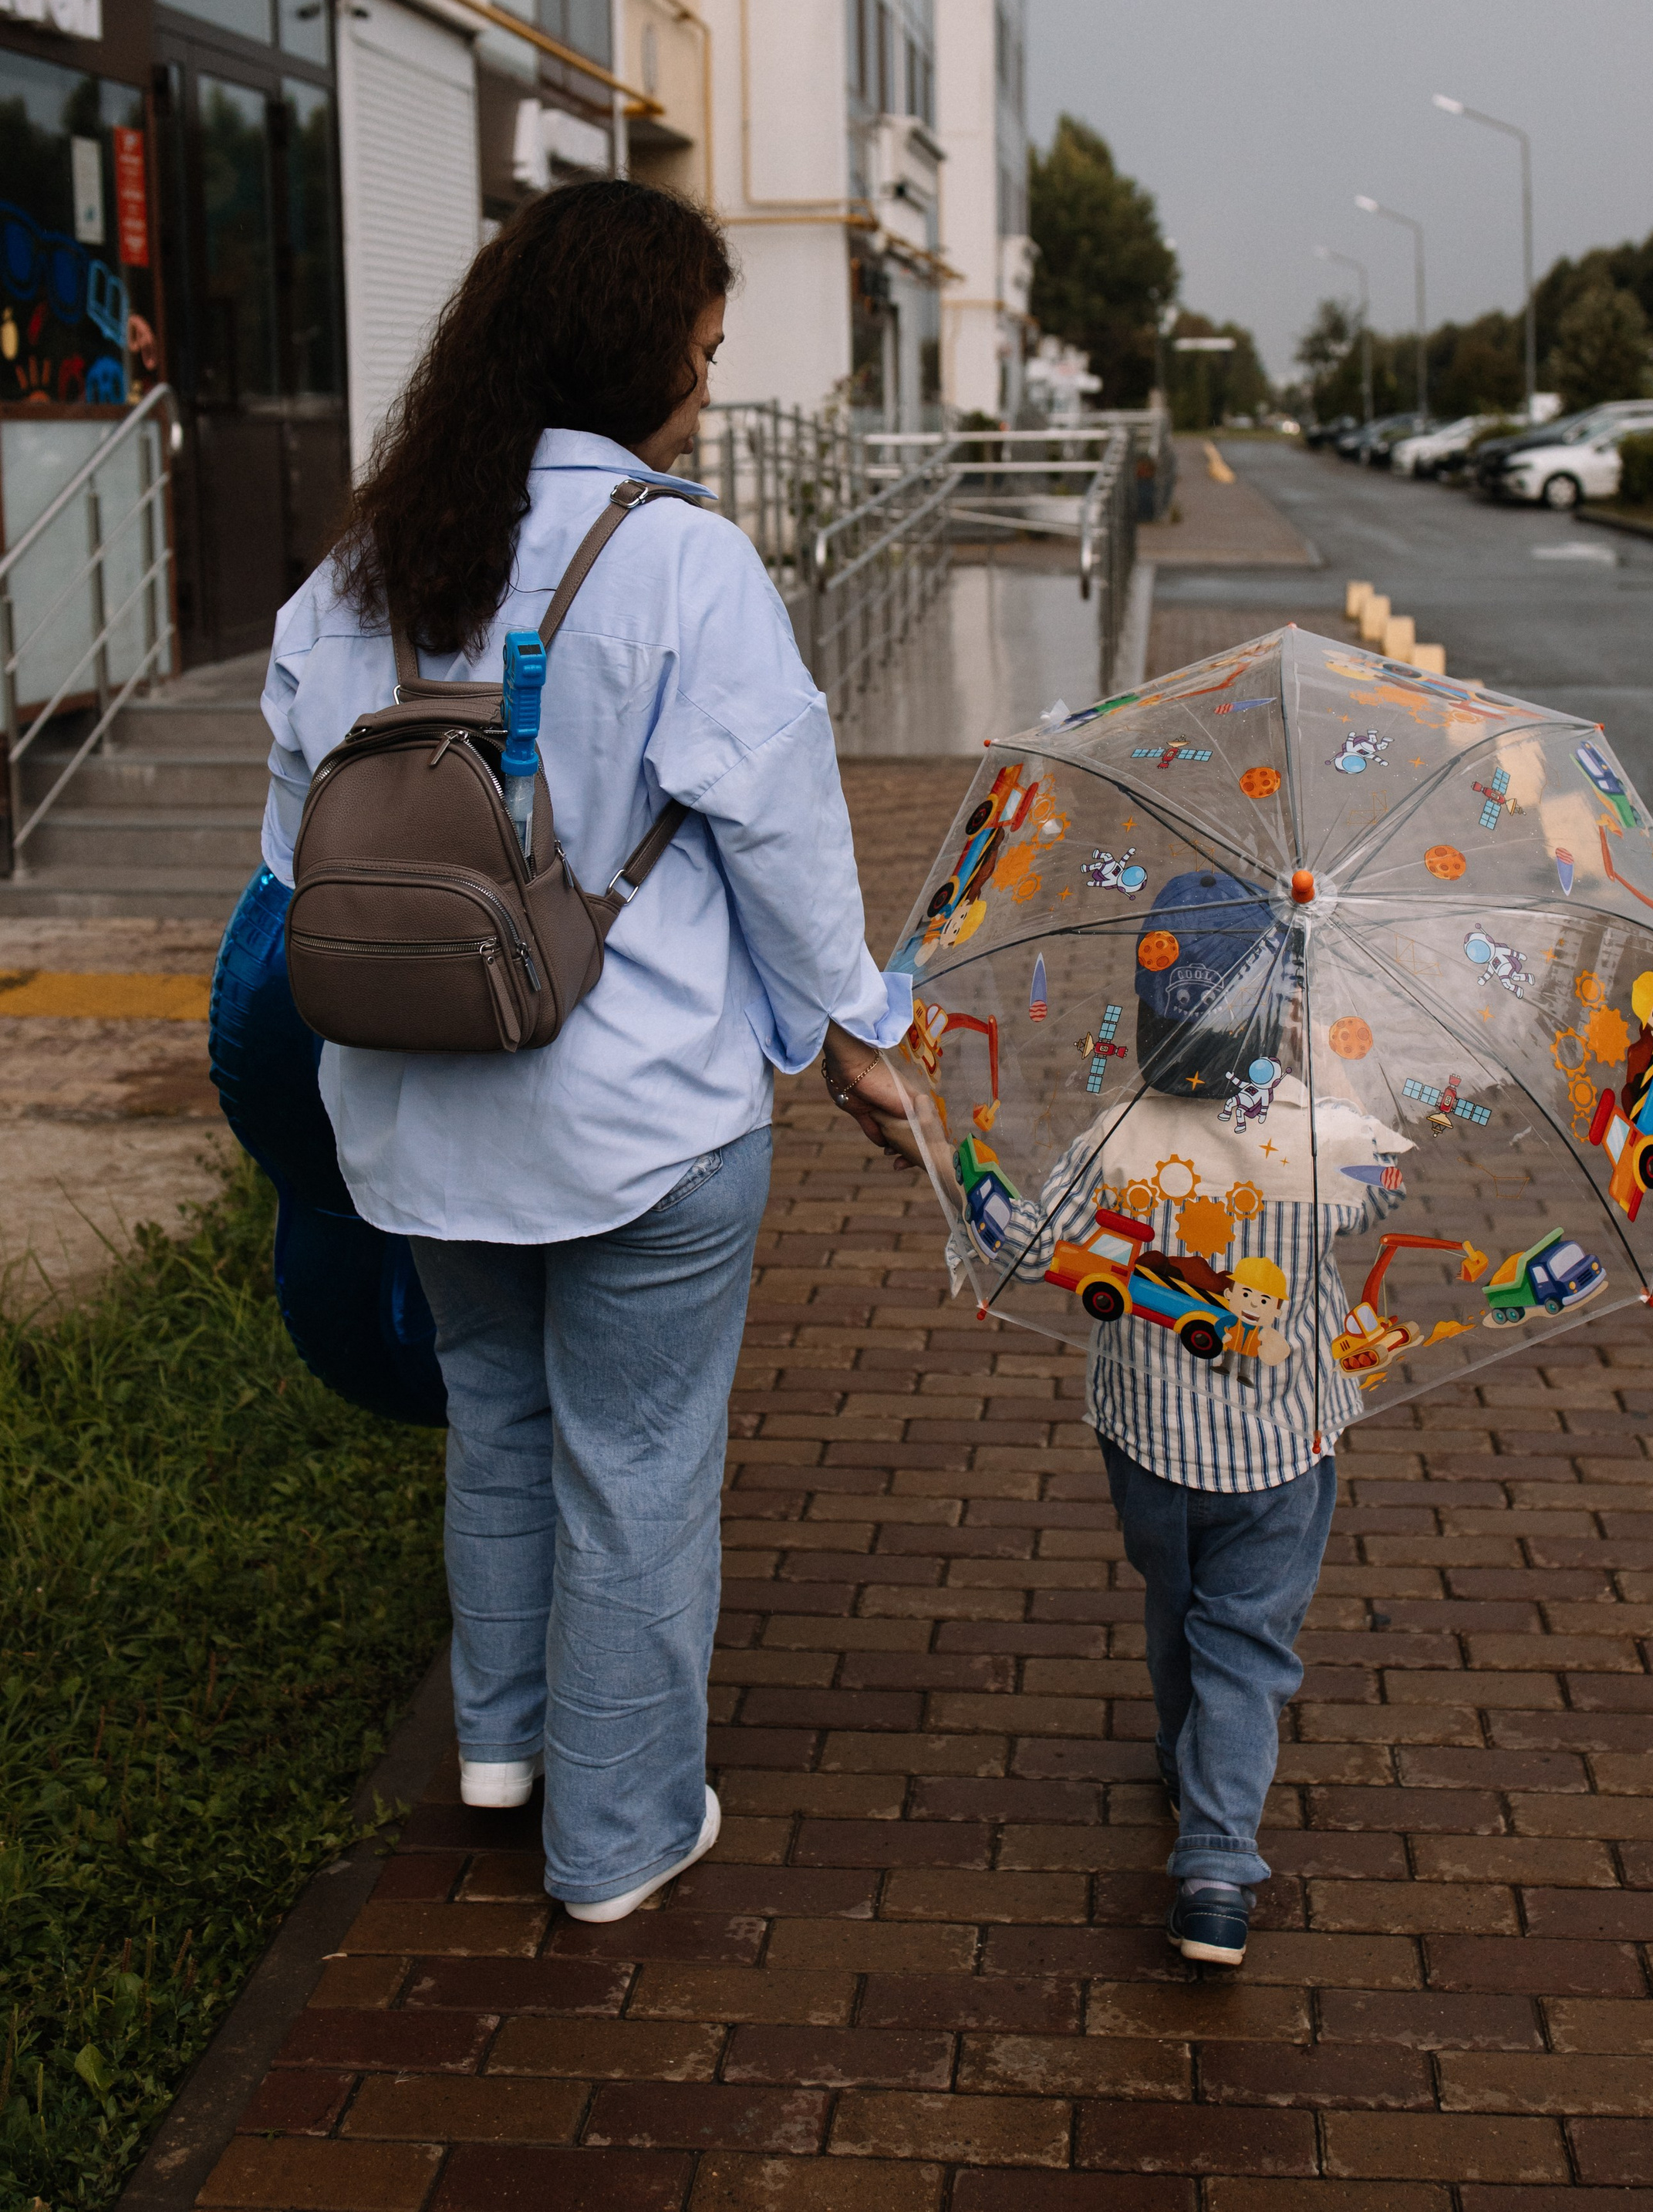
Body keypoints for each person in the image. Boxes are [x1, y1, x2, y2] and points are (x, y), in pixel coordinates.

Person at [260, 180, 920, 1924]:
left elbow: (290, 869)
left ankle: (500, 1742)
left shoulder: (353, 575)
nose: (704, 395)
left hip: (410, 1112)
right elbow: (782, 838)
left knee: (493, 1410)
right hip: (641, 1119)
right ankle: (619, 1839)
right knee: (635, 1463)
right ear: (630, 357)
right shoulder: (681, 560)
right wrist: (852, 1037)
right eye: (700, 358)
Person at [966, 878, 1406, 1967]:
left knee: (1179, 1595)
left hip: (1147, 1449)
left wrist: (959, 1179)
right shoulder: (1319, 1141)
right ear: (1280, 1022)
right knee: (1245, 1639)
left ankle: (1179, 1747)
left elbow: (1028, 1250)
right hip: (1278, 1455)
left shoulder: (1113, 1139)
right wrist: (1319, 1070)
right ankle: (1217, 1862)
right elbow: (1387, 1177)